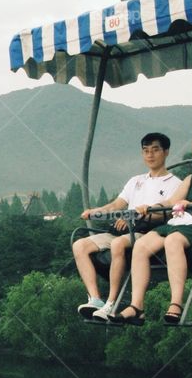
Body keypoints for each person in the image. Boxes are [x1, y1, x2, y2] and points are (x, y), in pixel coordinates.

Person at [113, 126, 192, 325]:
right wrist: (150, 207)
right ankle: (137, 306)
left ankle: (176, 304)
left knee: (173, 240)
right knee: (142, 245)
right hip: (186, 222)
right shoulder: (191, 178)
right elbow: (171, 202)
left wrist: (190, 204)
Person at [73, 133, 182, 321]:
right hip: (123, 229)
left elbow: (169, 212)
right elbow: (116, 205)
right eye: (146, 151)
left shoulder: (175, 184)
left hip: (146, 231)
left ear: (166, 152)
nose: (150, 155)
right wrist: (95, 211)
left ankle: (112, 303)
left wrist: (134, 216)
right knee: (80, 246)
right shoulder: (136, 181)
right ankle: (95, 298)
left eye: (155, 150)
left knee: (118, 245)